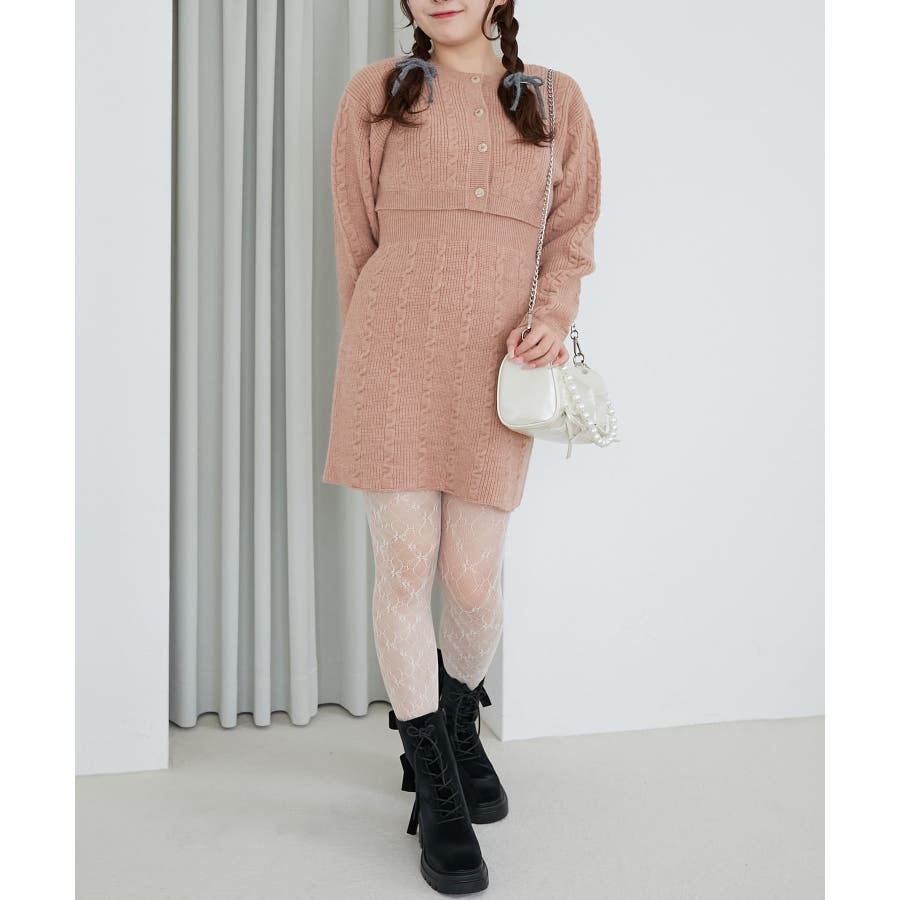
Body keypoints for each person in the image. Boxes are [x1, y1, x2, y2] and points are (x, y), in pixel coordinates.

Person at [323, 1, 601, 893]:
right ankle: (435, 782)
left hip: (495, 365)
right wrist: (369, 357)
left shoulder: (555, 99)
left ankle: (454, 722)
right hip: (391, 358)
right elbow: (353, 241)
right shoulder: (375, 93)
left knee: (472, 579)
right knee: (405, 571)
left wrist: (552, 317)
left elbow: (573, 235)